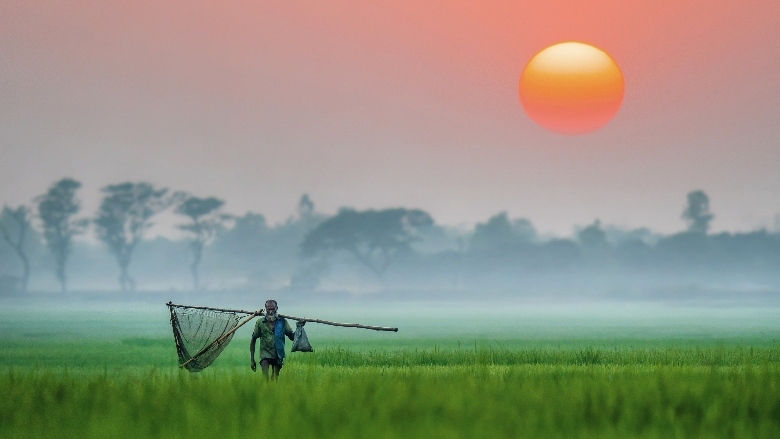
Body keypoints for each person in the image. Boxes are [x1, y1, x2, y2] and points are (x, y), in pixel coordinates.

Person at [250, 299, 299, 380]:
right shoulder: (260, 322)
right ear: (265, 309)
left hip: (278, 354)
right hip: (265, 354)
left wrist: (299, 327)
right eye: (268, 309)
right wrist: (252, 360)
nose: (271, 311)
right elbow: (253, 339)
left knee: (275, 378)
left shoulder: (282, 322)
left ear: (277, 308)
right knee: (265, 378)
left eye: (273, 309)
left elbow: (292, 337)